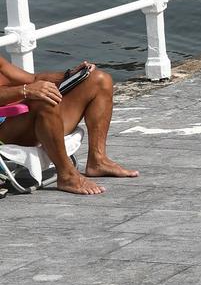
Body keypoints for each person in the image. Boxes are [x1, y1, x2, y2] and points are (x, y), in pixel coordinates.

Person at [0, 53, 137, 197]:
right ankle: (67, 175)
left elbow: (33, 79)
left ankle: (98, 160)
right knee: (44, 101)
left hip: (24, 117)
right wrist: (26, 91)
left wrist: (70, 74)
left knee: (99, 80)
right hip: (5, 130)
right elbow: (29, 86)